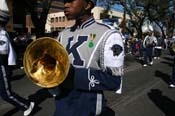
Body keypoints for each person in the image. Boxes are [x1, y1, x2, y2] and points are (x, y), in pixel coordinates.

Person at [52, 0, 124, 116]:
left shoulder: (109, 34)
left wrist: (73, 75)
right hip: (62, 104)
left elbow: (114, 80)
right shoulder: (63, 34)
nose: (65, 5)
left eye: (71, 1)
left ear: (88, 5)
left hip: (88, 106)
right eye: (64, 1)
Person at [0, 2, 34, 116]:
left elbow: (2, 53)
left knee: (6, 93)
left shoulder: (2, 34)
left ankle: (26, 105)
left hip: (2, 67)